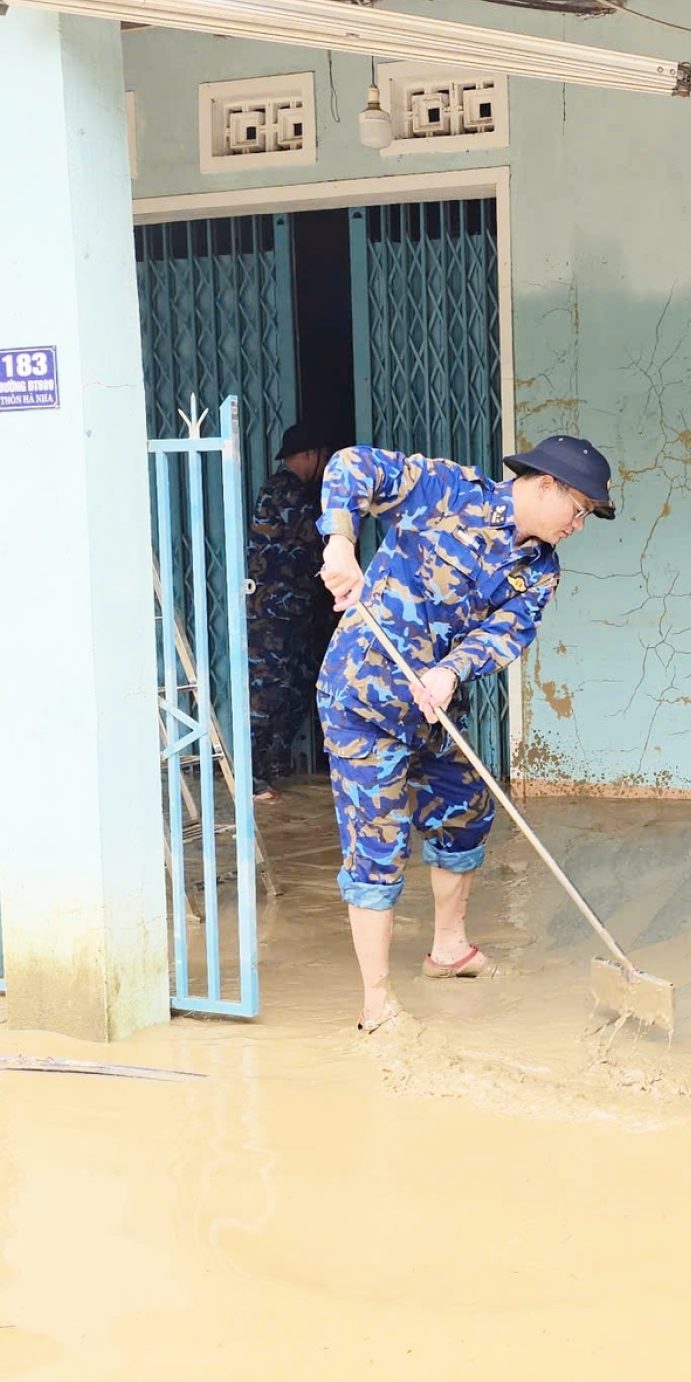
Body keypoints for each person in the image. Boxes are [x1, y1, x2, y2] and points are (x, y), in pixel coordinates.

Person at [315, 434, 616, 1031]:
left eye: (587, 517)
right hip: (364, 696)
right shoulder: (448, 490)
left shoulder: (542, 572)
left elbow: (505, 633)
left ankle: (448, 951)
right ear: (544, 484)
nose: (579, 525)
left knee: (466, 806)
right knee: (378, 842)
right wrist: (341, 541)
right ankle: (376, 1005)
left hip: (434, 707)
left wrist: (452, 671)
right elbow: (350, 464)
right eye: (577, 509)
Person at [244, 424, 339, 801]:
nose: (328, 462)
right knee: (269, 692)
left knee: (296, 690)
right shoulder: (283, 491)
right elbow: (317, 534)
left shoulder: (299, 492)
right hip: (273, 612)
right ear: (307, 456)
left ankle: (272, 767)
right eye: (324, 455)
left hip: (298, 611)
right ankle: (250, 775)